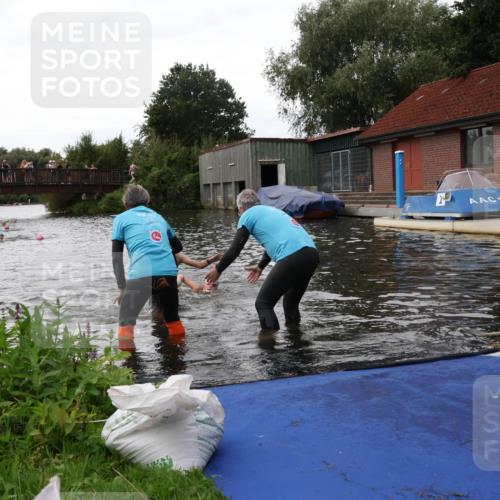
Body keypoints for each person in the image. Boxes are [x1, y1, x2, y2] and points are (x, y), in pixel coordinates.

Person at [206, 189, 320, 331]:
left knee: (263, 304)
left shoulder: (247, 215)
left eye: (238, 211)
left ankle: (269, 346)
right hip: (311, 255)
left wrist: (218, 270)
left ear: (241, 208)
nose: (239, 214)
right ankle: (296, 341)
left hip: (293, 256)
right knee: (290, 304)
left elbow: (234, 251)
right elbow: (276, 241)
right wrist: (260, 266)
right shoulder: (271, 211)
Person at [111, 184, 185, 351]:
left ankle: (129, 369)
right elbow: (178, 246)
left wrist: (122, 287)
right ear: (147, 201)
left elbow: (116, 257)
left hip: (141, 275)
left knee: (126, 322)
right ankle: (176, 359)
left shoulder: (121, 219)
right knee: (173, 319)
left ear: (125, 204)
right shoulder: (159, 217)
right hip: (168, 273)